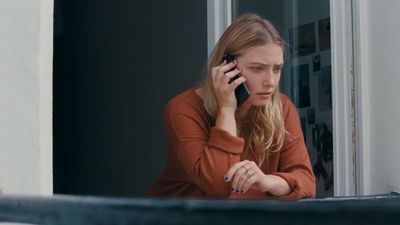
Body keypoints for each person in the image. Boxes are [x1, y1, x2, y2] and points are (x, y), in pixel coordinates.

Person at [148, 13, 315, 200]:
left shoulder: (282, 108)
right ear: (227, 67)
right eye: (257, 68)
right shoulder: (183, 108)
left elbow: (306, 182)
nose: (271, 82)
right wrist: (226, 109)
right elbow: (220, 184)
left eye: (277, 69)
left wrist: (267, 181)